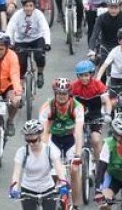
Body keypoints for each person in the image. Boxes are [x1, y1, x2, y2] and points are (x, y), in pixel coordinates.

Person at [39, 78, 85, 206]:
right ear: (55, 93)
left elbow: (78, 132)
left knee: (74, 170)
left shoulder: (77, 107)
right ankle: (56, 196)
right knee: (53, 170)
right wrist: (43, 151)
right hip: (54, 138)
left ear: (69, 94)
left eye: (64, 93)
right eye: (59, 93)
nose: (62, 96)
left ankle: (75, 204)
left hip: (71, 139)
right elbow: (44, 132)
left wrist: (78, 154)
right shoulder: (47, 106)